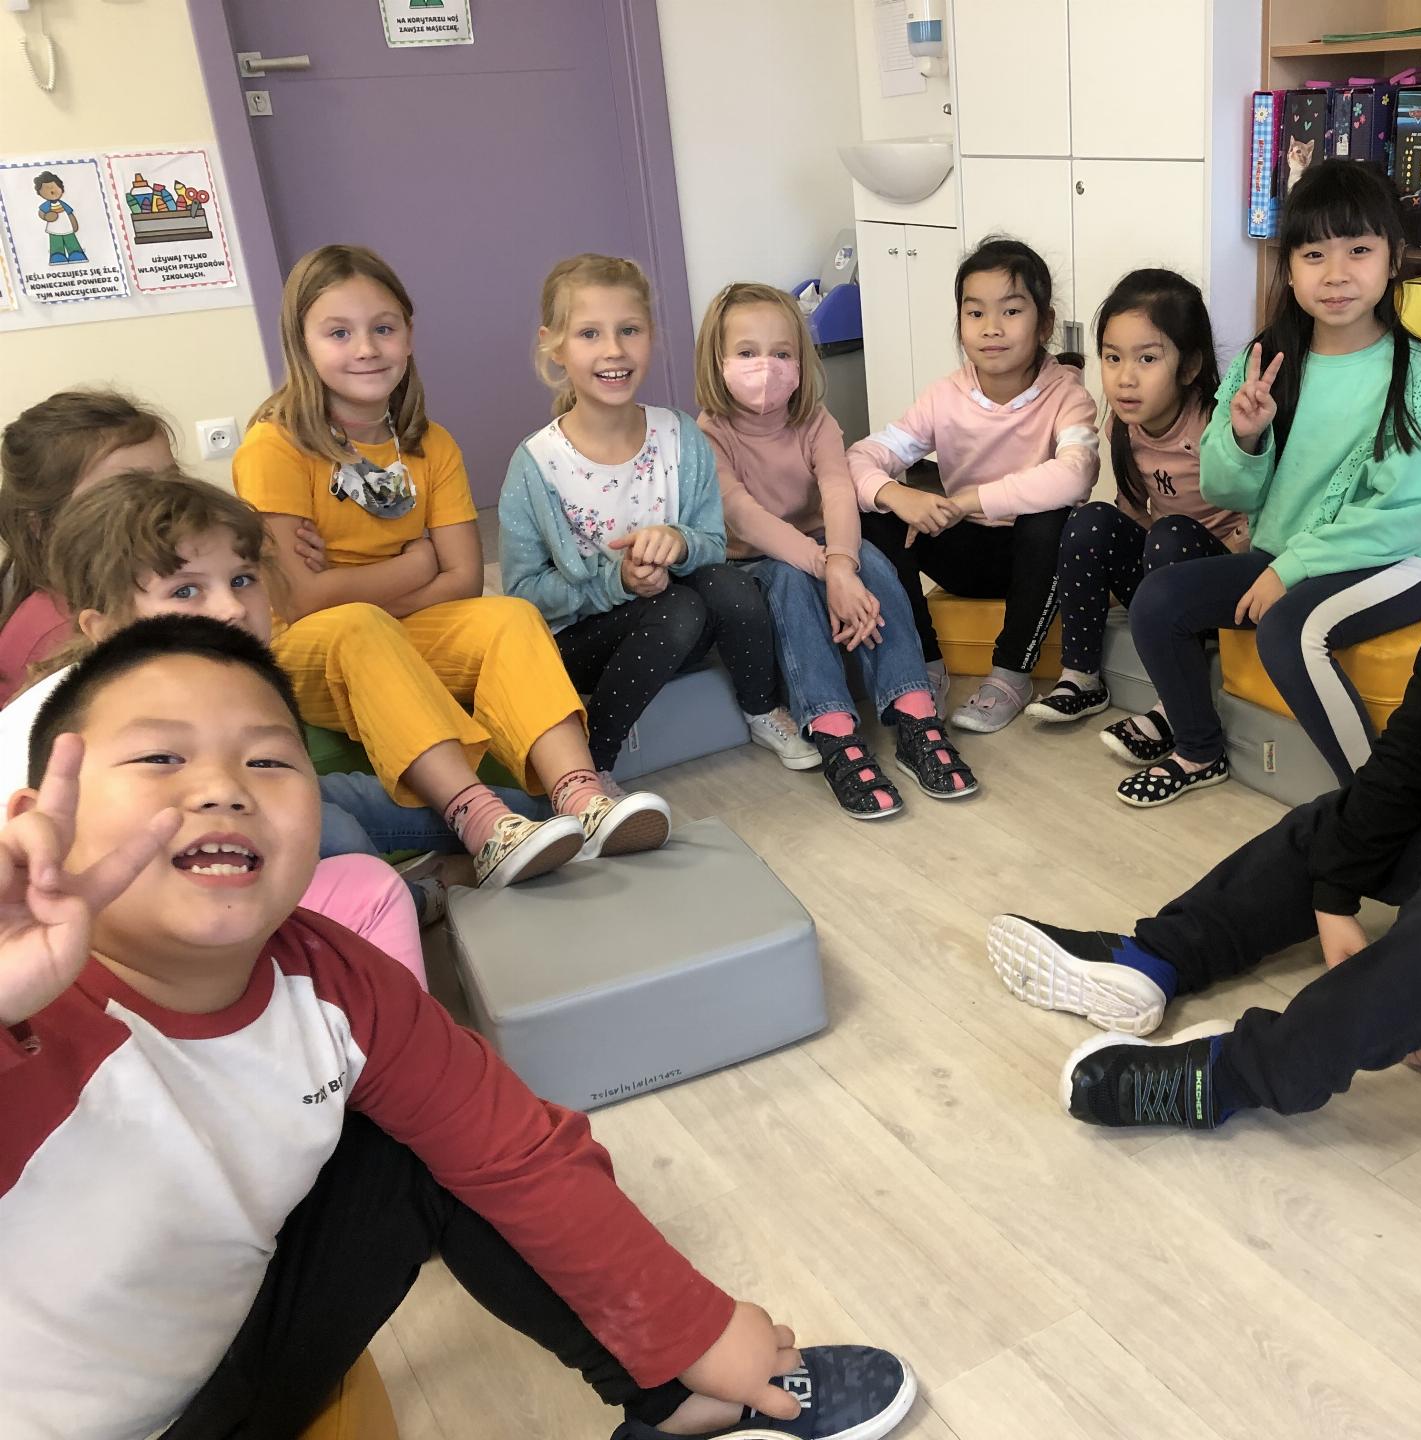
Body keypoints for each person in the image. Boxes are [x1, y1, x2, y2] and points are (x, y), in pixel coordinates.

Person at [0, 615, 919, 1439]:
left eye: (269, 761)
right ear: (42, 816)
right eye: (160, 758)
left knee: (432, 1149)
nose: (222, 789)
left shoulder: (336, 978)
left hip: (228, 1368)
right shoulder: (28, 1012)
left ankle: (672, 1406)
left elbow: (518, 1151)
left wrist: (695, 1331)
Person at [985, 324, 1421, 1130]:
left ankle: (1231, 1078)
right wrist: (1334, 890)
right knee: (1337, 819)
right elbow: (1409, 760)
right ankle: (1154, 958)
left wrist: (1409, 970)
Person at [233, 243, 670, 888]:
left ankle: (582, 796)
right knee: (357, 624)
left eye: (384, 328)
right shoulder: (276, 446)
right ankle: (484, 825)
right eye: (339, 333)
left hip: (398, 633)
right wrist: (417, 564)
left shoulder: (430, 446)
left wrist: (362, 586)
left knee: (509, 616)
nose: (366, 348)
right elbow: (300, 600)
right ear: (301, 343)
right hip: (310, 649)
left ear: (409, 335)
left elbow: (463, 578)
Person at [1101, 160, 1421, 807]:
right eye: (1313, 254)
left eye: (1358, 250)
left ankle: (1379, 808)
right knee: (1158, 602)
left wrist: (1289, 569)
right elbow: (1227, 492)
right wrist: (1244, 438)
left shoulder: (1416, 374)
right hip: (1289, 555)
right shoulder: (1265, 361)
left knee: (1289, 630)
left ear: (1394, 259)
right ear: (1288, 269)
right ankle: (1198, 750)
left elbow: (1403, 513)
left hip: (1396, 560)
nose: (1336, 274)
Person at [0, 465, 429, 983]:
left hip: (222, 849)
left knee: (370, 798)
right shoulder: (82, 719)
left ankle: (501, 819)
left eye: (242, 580)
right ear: (106, 627)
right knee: (351, 851)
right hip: (154, 913)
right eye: (186, 591)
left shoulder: (209, 679)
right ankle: (399, 918)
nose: (231, 609)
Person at [499, 254, 811, 778]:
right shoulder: (536, 464)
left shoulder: (679, 434)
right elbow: (524, 595)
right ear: (554, 346)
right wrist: (616, 581)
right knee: (679, 606)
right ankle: (592, 764)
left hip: (678, 631)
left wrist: (680, 542)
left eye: (629, 330)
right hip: (582, 648)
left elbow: (712, 543)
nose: (614, 350)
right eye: (590, 334)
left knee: (729, 585)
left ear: (651, 336)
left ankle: (760, 708)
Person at [695, 281, 976, 818]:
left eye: (782, 353)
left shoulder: (815, 420)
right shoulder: (707, 434)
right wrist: (830, 571)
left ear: (801, 361)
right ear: (717, 359)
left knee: (877, 564)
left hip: (824, 546)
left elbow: (839, 492)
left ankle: (915, 711)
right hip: (752, 558)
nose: (766, 367)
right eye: (747, 353)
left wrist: (844, 564)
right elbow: (745, 517)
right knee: (790, 582)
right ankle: (833, 729)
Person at [848, 236, 1098, 733]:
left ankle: (1011, 675)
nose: (991, 328)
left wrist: (966, 501)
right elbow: (859, 458)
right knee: (871, 514)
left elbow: (1076, 474)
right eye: (975, 312)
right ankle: (922, 665)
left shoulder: (1067, 395)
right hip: (964, 552)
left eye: (1011, 311)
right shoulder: (945, 395)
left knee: (1052, 518)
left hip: (1036, 563)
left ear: (1045, 324)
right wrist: (899, 494)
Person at [1024, 268, 1246, 728]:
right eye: (1112, 357)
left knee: (1171, 535)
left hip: (1224, 587)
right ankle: (1081, 676)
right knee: (1089, 520)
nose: (1125, 378)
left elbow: (1258, 519)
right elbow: (1130, 512)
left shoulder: (1217, 426)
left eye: (1147, 359)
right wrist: (1102, 585)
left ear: (1189, 366)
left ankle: (1174, 705)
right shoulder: (1123, 428)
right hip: (1163, 582)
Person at [0, 389, 174, 703]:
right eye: (126, 491)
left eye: (172, 481)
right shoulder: (58, 638)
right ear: (42, 525)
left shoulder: (122, 592)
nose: (165, 504)